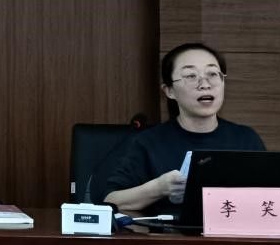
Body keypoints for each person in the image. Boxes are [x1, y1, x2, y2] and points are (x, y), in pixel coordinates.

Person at [101, 42, 264, 214]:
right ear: (169, 91)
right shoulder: (148, 142)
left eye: (212, 74)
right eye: (191, 76)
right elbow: (110, 200)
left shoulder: (245, 139)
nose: (205, 84)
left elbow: (274, 198)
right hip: (170, 231)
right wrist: (159, 188)